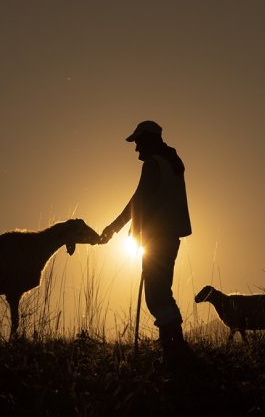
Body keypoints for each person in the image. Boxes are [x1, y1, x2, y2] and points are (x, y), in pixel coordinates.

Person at [99, 120, 192, 357]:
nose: (136, 148)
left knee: (155, 293)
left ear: (149, 140)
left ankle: (175, 344)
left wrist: (116, 227)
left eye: (138, 142)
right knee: (161, 290)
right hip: (170, 235)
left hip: (157, 236)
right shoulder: (172, 163)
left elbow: (139, 200)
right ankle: (171, 342)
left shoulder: (153, 164)